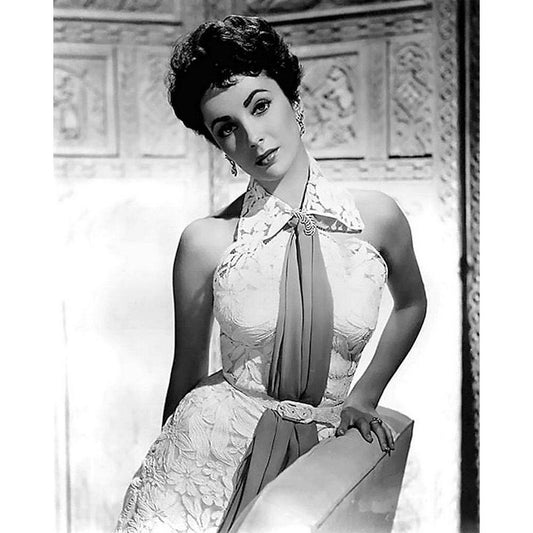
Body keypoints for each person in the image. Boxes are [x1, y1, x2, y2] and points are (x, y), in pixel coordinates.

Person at [115, 14, 427, 533]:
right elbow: (185, 373)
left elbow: (413, 304)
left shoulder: (377, 218)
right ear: (218, 146)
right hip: (209, 462)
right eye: (226, 129)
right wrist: (163, 479)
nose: (252, 137)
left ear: (293, 100)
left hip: (324, 459)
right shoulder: (207, 242)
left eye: (260, 106)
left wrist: (364, 395)